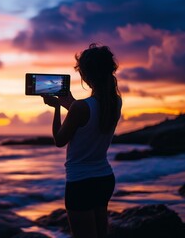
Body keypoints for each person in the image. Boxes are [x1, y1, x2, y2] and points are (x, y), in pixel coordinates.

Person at [42, 43, 122, 238]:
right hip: (104, 178)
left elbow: (60, 140)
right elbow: (89, 119)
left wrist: (57, 109)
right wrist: (70, 104)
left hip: (81, 182)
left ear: (85, 75)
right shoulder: (115, 102)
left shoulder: (81, 108)